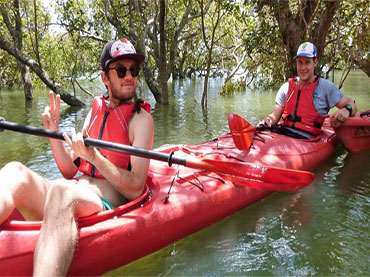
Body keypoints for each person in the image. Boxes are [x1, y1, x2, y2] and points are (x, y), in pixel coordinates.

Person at [0, 38, 154, 275]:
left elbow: (135, 188)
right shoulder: (95, 111)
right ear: (105, 78)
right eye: (121, 70)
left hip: (104, 203)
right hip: (75, 191)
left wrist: (94, 157)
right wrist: (53, 133)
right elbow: (70, 170)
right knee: (14, 172)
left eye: (133, 70)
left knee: (62, 191)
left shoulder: (141, 120)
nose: (129, 76)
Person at [260, 42, 357, 139]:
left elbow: (351, 104)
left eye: (307, 62)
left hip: (306, 139)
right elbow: (274, 116)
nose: (303, 67)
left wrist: (346, 109)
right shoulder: (286, 87)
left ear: (315, 62)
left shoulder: (325, 87)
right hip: (283, 133)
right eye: (300, 62)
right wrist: (267, 120)